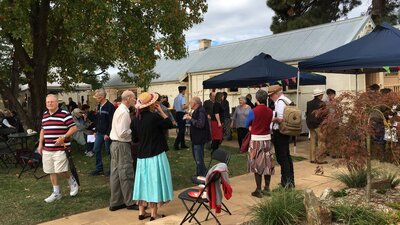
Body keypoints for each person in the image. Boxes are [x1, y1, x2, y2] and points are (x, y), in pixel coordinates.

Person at [132, 92, 174, 221]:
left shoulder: (135, 120)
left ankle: (141, 212)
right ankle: (153, 214)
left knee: (142, 183)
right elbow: (170, 124)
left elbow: (135, 138)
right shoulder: (155, 117)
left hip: (142, 156)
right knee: (155, 182)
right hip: (155, 155)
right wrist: (161, 111)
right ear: (151, 105)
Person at [38, 94, 78, 203]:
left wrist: (64, 137)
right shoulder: (45, 114)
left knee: (60, 170)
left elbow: (74, 128)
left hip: (60, 148)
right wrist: (40, 144)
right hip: (47, 148)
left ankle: (71, 181)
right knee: (51, 171)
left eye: (52, 102)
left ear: (57, 103)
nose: (49, 104)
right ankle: (56, 193)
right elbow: (43, 130)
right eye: (47, 102)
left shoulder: (64, 114)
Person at [109, 90, 138, 211]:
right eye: (133, 98)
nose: (135, 100)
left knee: (116, 173)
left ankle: (116, 202)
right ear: (128, 99)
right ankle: (130, 202)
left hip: (115, 144)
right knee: (126, 172)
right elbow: (123, 133)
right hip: (121, 145)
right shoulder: (124, 112)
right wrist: (133, 129)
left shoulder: (119, 110)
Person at [245, 90, 274, 198]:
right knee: (267, 163)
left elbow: (247, 123)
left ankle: (258, 189)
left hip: (256, 139)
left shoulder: (253, 111)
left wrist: (251, 126)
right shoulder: (270, 111)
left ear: (256, 99)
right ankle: (267, 188)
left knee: (257, 164)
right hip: (267, 139)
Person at [268, 85, 295, 188]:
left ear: (276, 93)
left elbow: (280, 119)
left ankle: (286, 183)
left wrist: (272, 119)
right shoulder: (287, 99)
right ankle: (290, 181)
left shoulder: (279, 102)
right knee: (287, 157)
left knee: (282, 158)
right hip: (287, 131)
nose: (271, 98)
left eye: (271, 95)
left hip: (280, 132)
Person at [90, 88, 115, 176]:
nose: (96, 98)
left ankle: (113, 169)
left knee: (109, 151)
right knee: (96, 149)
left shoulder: (110, 107)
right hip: (99, 133)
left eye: (97, 97)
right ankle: (99, 168)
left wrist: (108, 133)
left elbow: (112, 121)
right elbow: (98, 120)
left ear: (102, 97)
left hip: (107, 134)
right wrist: (96, 130)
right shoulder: (98, 106)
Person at [184, 97, 211, 177]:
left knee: (199, 158)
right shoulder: (197, 110)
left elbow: (200, 124)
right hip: (196, 138)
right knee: (197, 157)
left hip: (199, 138)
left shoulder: (201, 111)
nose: (189, 104)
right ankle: (201, 172)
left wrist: (190, 118)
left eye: (190, 102)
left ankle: (201, 175)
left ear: (195, 103)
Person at [306, 88, 327, 164]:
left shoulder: (309, 103)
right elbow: (324, 115)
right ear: (320, 95)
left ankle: (312, 158)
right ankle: (320, 159)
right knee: (321, 142)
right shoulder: (322, 103)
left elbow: (307, 113)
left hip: (310, 124)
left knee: (312, 141)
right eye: (322, 95)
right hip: (319, 124)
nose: (322, 96)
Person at [173, 86, 189, 150]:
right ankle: (176, 144)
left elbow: (174, 107)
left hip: (177, 114)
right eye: (185, 90)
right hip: (181, 114)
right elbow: (183, 107)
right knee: (182, 130)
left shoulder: (176, 98)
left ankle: (182, 144)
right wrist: (188, 105)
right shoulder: (182, 98)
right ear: (183, 91)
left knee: (181, 129)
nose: (185, 92)